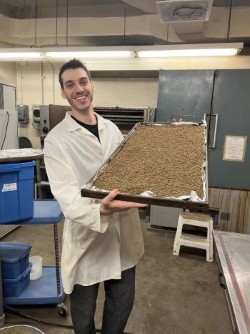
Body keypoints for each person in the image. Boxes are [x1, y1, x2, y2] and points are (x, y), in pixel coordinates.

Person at [43, 58, 147, 334]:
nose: (79, 88)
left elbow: (128, 174)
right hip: (88, 241)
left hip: (124, 237)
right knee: (84, 317)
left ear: (92, 85)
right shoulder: (56, 140)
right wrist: (101, 209)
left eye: (83, 81)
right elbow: (67, 198)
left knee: (120, 308)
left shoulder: (112, 129)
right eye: (70, 84)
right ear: (63, 92)